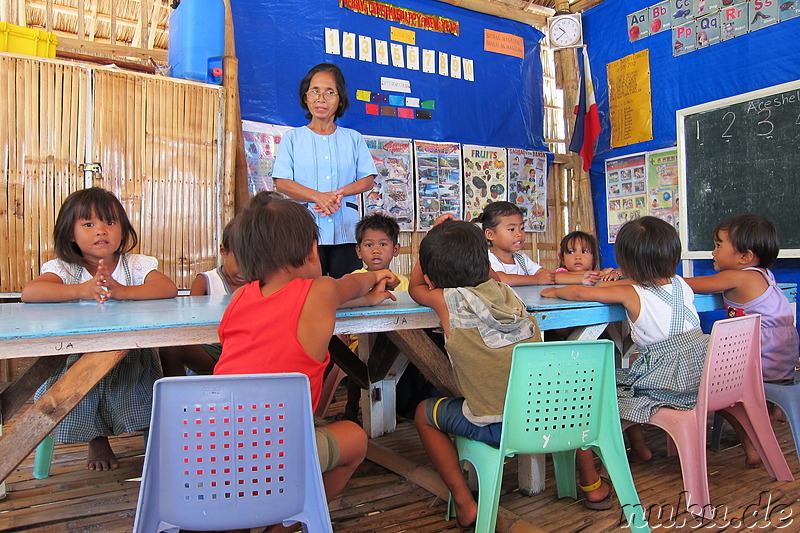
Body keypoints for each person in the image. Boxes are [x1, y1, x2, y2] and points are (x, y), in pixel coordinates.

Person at [212, 199, 399, 532]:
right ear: (313, 251)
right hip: (277, 455)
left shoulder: (239, 298)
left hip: (214, 450)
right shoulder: (323, 289)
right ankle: (285, 525)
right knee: (355, 439)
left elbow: (312, 302)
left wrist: (366, 299)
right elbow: (347, 286)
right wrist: (375, 277)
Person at [541, 216, 709, 510]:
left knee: (594, 393)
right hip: (701, 377)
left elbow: (581, 292)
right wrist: (624, 276)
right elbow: (644, 282)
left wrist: (554, 292)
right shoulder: (681, 284)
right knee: (619, 377)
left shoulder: (631, 292)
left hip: (667, 382)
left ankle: (587, 460)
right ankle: (639, 447)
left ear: (626, 263)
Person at [21, 187, 178, 471]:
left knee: (136, 389)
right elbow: (31, 292)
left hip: (131, 358)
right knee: (78, 387)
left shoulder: (137, 264)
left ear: (123, 230)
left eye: (110, 222)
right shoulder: (65, 268)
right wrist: (82, 289)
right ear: (71, 234)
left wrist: (122, 291)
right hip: (76, 359)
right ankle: (96, 438)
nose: (101, 230)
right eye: (89, 224)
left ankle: (150, 445)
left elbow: (166, 287)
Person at [409, 215, 542, 528]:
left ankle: (465, 502)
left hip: (494, 424)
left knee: (423, 413)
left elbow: (415, 286)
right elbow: (488, 271)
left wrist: (431, 236)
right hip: (537, 416)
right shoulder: (507, 292)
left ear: (431, 277)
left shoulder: (447, 300)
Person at [684, 213, 799, 466]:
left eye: (718, 246)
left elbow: (684, 285)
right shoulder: (765, 275)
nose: (712, 252)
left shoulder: (738, 276)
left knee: (709, 390)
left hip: (762, 366)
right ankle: (764, 421)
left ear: (745, 257)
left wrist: (643, 277)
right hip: (782, 365)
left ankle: (751, 444)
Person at [272, 63, 377, 279]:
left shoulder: (353, 138)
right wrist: (318, 197)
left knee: (346, 291)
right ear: (305, 97)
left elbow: (367, 180)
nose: (321, 99)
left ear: (340, 99)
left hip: (346, 231)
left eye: (330, 92)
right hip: (303, 232)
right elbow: (282, 182)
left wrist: (337, 195)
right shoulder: (293, 138)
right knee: (306, 293)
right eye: (315, 91)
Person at [159, 220, 245, 377]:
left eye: (252, 262)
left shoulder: (261, 281)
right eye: (239, 260)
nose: (244, 270)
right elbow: (189, 323)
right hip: (213, 350)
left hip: (247, 349)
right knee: (171, 348)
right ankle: (178, 399)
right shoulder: (206, 280)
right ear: (223, 250)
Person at [479, 201, 599, 286]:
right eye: (512, 229)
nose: (519, 234)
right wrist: (536, 279)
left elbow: (548, 275)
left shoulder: (522, 259)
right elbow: (502, 279)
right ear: (490, 234)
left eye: (522, 228)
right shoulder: (488, 259)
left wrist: (581, 278)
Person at [353, 212, 409, 290]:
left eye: (383, 244)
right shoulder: (355, 279)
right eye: (369, 245)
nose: (376, 251)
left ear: (395, 249)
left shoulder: (403, 282)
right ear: (359, 251)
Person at [555, 230, 621, 282]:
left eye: (584, 252)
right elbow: (557, 277)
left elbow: (623, 272)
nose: (578, 257)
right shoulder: (561, 273)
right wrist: (600, 273)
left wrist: (615, 274)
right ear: (563, 259)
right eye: (571, 252)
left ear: (593, 259)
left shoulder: (596, 275)